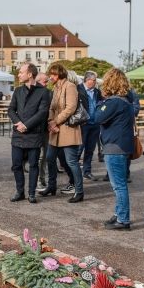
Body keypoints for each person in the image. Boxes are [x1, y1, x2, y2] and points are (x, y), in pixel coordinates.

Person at [95, 68, 135, 230]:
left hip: (115, 146)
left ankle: (123, 219)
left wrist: (101, 103)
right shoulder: (126, 100)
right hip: (122, 145)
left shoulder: (114, 102)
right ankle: (119, 213)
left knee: (118, 185)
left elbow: (97, 117)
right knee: (119, 184)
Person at [40, 64, 84, 203]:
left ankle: (79, 191)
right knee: (50, 158)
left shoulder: (70, 86)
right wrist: (51, 122)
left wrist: (55, 121)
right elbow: (52, 108)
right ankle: (51, 186)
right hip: (56, 130)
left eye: (52, 74)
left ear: (58, 74)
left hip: (68, 129)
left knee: (71, 161)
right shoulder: (56, 87)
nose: (49, 77)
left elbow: (70, 108)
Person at [8, 63, 50, 203]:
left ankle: (31, 193)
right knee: (16, 165)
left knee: (33, 165)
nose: (19, 75)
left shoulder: (43, 92)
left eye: (21, 72)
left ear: (30, 74)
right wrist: (18, 123)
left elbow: (42, 112)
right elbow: (11, 110)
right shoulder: (18, 91)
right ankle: (20, 191)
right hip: (18, 134)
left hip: (34, 134)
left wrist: (27, 125)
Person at [77, 71, 102, 180]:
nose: (95, 82)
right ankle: (74, 173)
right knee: (79, 149)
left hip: (95, 124)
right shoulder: (77, 89)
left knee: (90, 150)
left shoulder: (97, 91)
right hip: (83, 124)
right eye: (94, 80)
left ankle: (87, 171)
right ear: (87, 80)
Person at [35, 72, 51, 189]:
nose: (46, 84)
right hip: (35, 130)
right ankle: (37, 181)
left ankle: (41, 179)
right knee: (39, 157)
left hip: (45, 129)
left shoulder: (49, 93)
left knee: (44, 156)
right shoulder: (32, 93)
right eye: (45, 81)